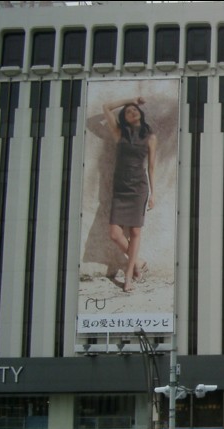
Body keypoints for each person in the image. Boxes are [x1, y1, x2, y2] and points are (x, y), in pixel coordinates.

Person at [102, 96, 157, 294]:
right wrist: (130, 100)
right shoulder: (119, 133)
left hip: (139, 188)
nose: (132, 112)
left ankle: (127, 275)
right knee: (115, 234)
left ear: (140, 114)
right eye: (127, 111)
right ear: (124, 118)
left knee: (135, 232)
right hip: (121, 188)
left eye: (134, 109)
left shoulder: (150, 137)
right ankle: (137, 262)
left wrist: (153, 193)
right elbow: (106, 106)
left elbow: (151, 167)